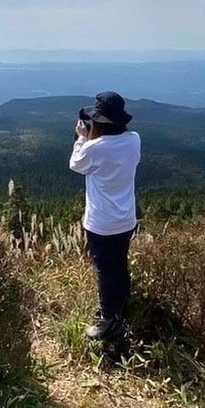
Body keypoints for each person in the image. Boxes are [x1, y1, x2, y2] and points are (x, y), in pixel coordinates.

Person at [69, 91, 141, 341]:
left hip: (102, 223)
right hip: (127, 219)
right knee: (119, 264)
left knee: (105, 271)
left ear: (100, 122)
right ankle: (121, 308)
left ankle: (108, 321)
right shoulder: (134, 139)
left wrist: (82, 137)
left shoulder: (94, 148)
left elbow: (76, 164)